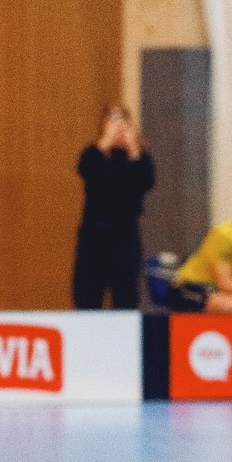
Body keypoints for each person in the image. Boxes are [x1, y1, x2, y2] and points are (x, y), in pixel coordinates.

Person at [72, 104, 156, 310]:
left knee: (126, 298)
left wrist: (133, 149)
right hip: (94, 237)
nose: (118, 127)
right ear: (104, 125)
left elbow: (147, 179)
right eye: (112, 120)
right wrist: (105, 142)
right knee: (87, 297)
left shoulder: (139, 158)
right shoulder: (94, 154)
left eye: (123, 121)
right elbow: (85, 168)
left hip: (125, 238)